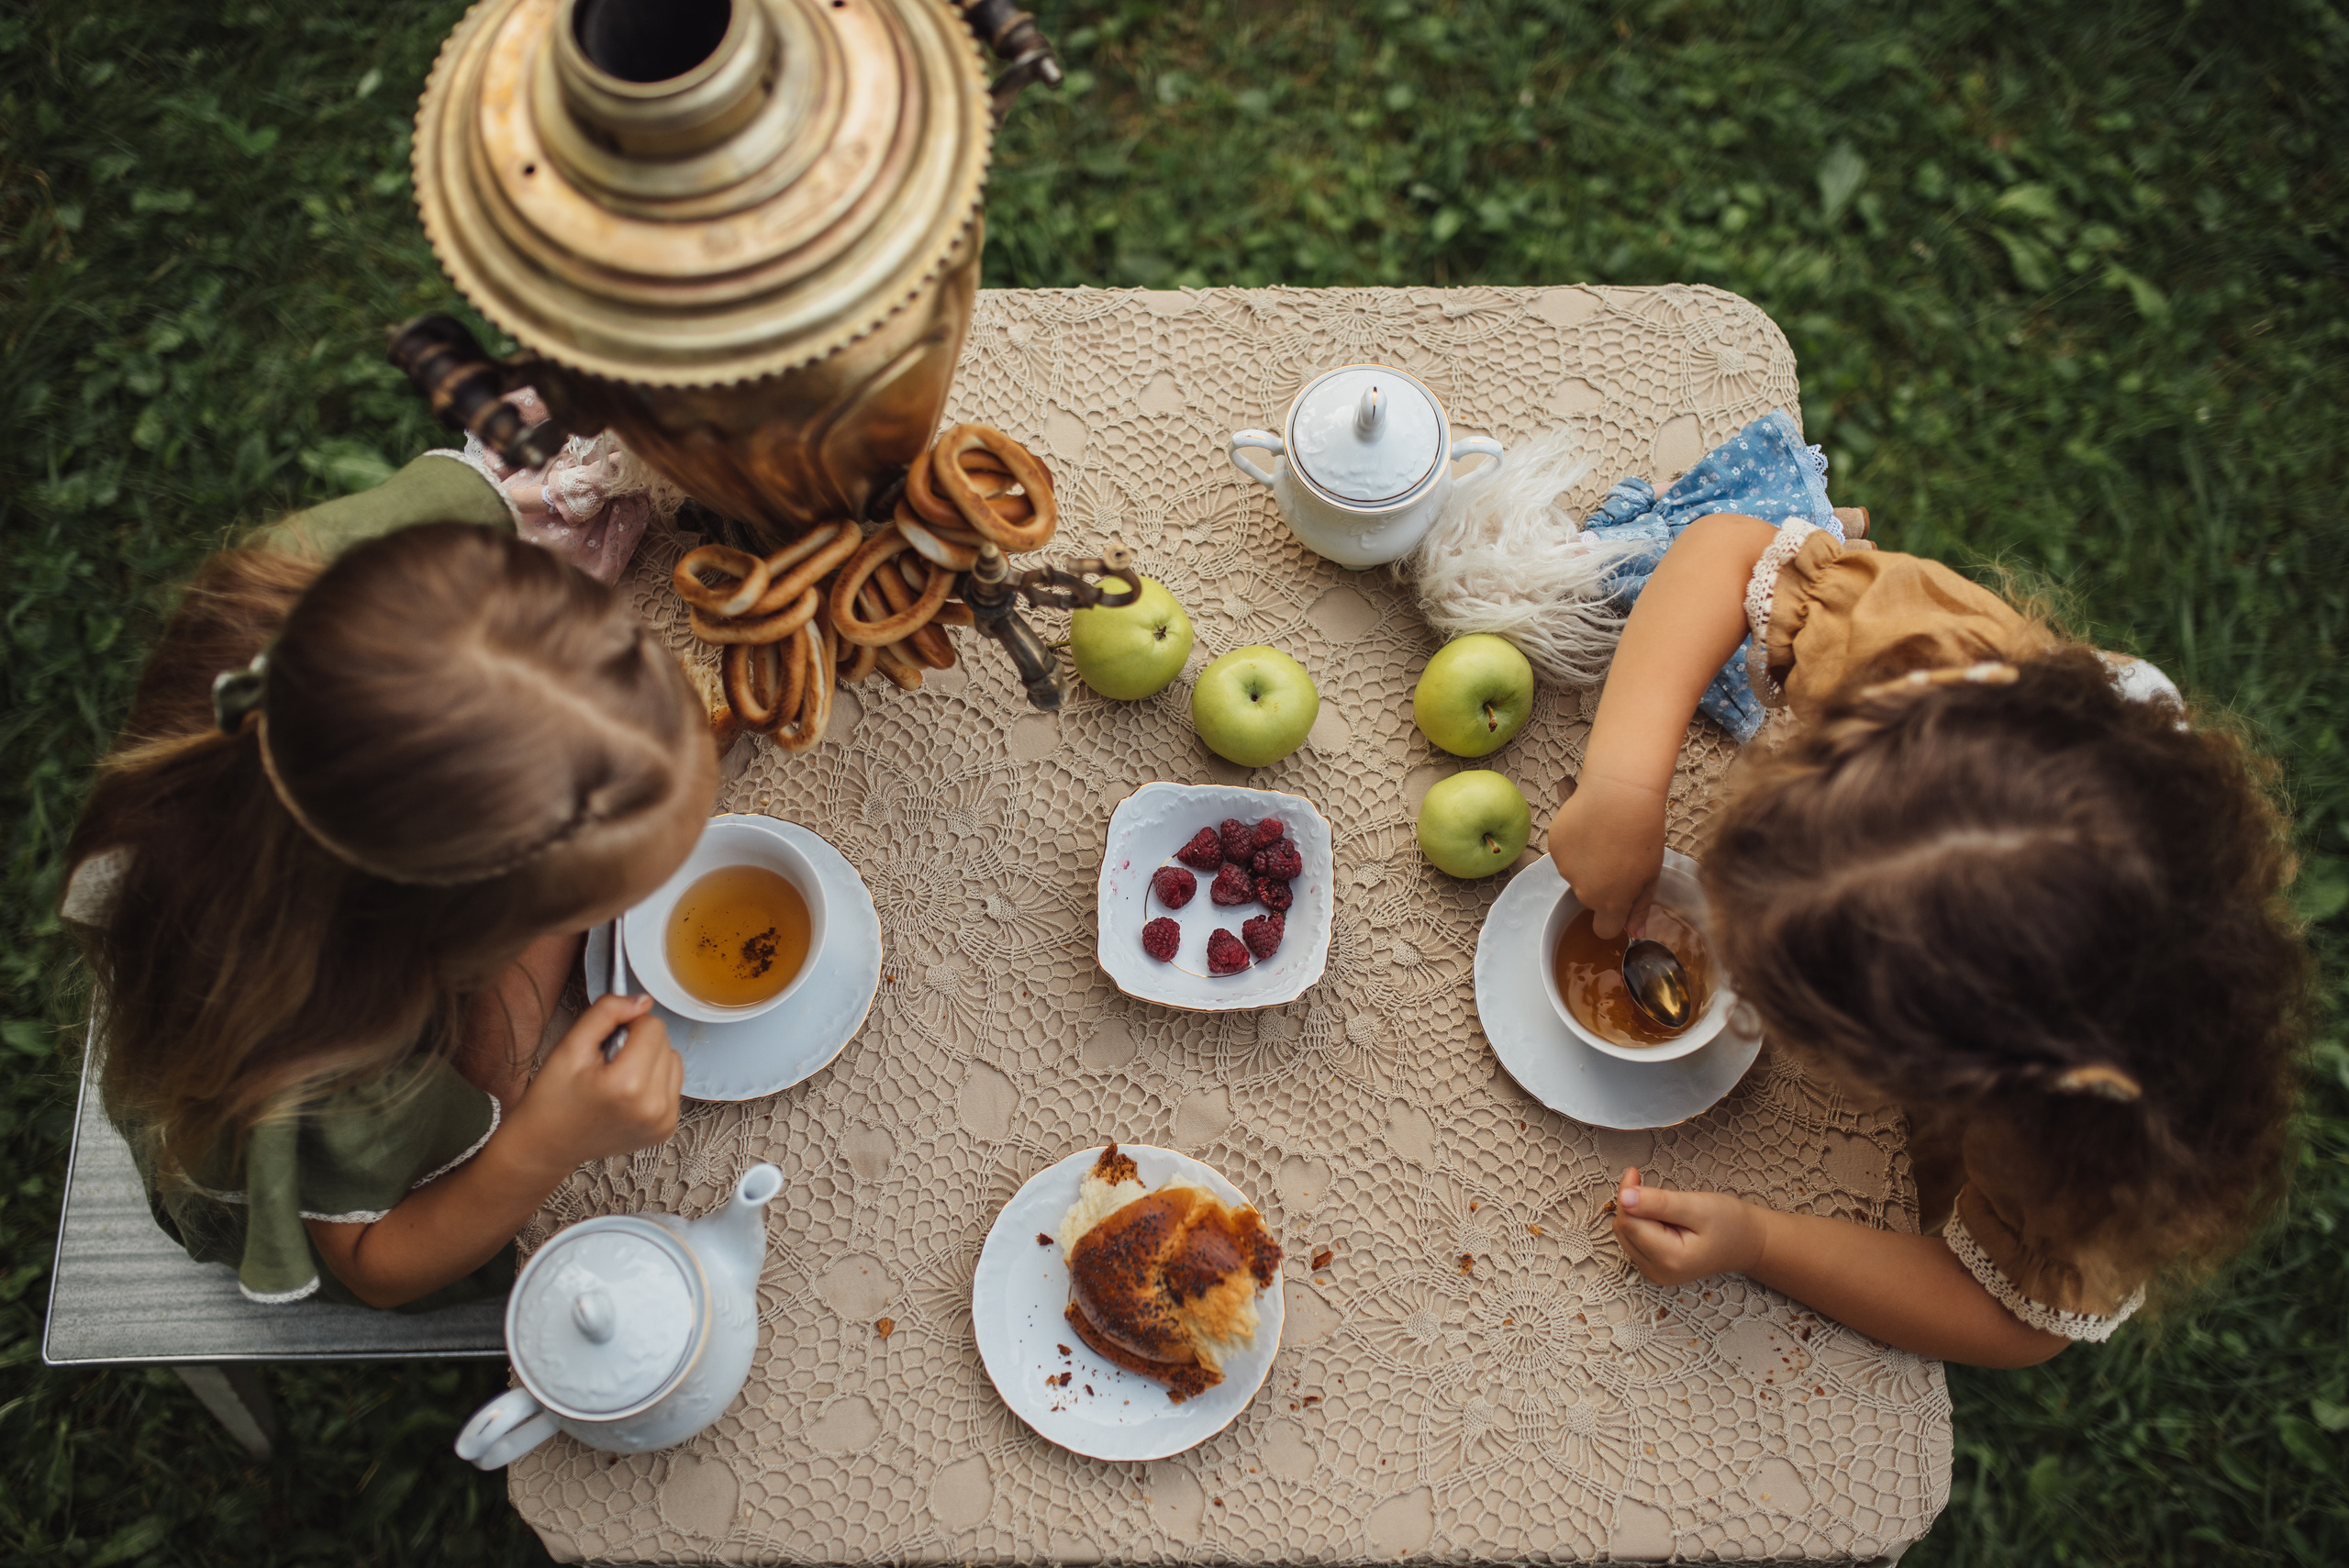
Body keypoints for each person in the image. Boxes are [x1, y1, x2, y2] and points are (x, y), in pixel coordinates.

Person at [1548, 412, 2307, 1365]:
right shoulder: (1935, 666)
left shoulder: (2082, 1137)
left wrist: (1762, 1239)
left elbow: (2008, 1320)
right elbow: (1721, 552)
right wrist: (1622, 784)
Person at [61, 447, 712, 1309]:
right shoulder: (334, 1047)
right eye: (587, 897)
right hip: (307, 1176)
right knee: (505, 1091)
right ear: (468, 938)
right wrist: (548, 1139)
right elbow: (379, 1261)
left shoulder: (308, 598)